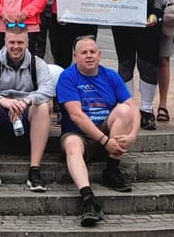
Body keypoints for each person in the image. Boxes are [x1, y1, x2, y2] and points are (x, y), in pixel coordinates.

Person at [57, 35, 139, 227]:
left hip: (106, 131)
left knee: (124, 111)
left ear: (100, 55)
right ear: (75, 56)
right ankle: (88, 199)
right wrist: (104, 141)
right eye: (83, 53)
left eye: (92, 52)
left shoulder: (110, 75)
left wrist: (133, 133)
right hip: (78, 134)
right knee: (71, 144)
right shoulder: (67, 77)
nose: (89, 56)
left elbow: (132, 105)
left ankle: (111, 171)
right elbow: (76, 116)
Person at [0, 23, 56, 192]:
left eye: (20, 42)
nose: (16, 47)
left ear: (27, 42)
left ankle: (35, 170)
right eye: (12, 42)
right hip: (1, 116)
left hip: (27, 117)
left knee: (43, 107)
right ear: (5, 41)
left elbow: (48, 90)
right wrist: (2, 100)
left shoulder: (37, 63)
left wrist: (26, 100)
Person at [104, 0, 166, 131]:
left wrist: (156, 10)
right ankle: (128, 109)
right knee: (126, 63)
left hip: (147, 19)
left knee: (148, 64)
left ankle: (147, 110)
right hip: (122, 20)